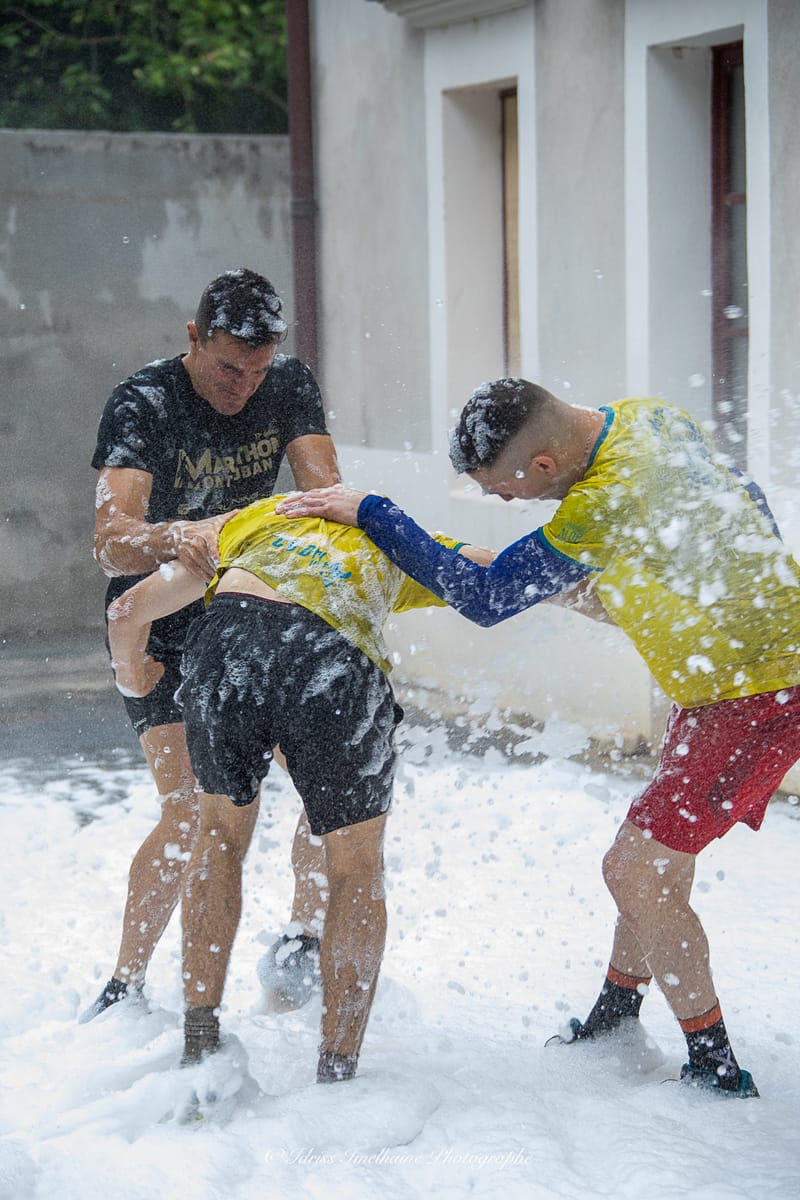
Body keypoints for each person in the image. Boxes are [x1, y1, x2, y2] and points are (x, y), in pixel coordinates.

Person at [277, 378, 800, 1099]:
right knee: (656, 862)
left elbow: (488, 600)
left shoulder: (603, 498)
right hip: (726, 685)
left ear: (545, 465)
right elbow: (740, 492)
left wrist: (374, 513)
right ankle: (619, 1012)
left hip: (759, 695)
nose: (502, 502)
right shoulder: (650, 419)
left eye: (504, 490)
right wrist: (717, 590)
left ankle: (715, 1065)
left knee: (635, 870)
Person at [105, 493, 491, 1092]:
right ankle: (337, 1070)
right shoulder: (401, 538)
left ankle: (200, 1038)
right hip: (332, 661)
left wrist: (133, 680)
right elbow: (501, 571)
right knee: (356, 870)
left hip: (228, 644)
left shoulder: (260, 519)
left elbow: (126, 609)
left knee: (219, 840)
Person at [84, 268, 340, 1022]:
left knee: (330, 786)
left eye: (256, 372)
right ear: (193, 340)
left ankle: (301, 939)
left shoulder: (288, 383)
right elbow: (109, 542)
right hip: (160, 619)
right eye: (229, 368)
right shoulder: (145, 401)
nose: (242, 387)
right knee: (190, 811)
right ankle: (125, 983)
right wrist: (176, 536)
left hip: (251, 608)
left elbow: (326, 499)